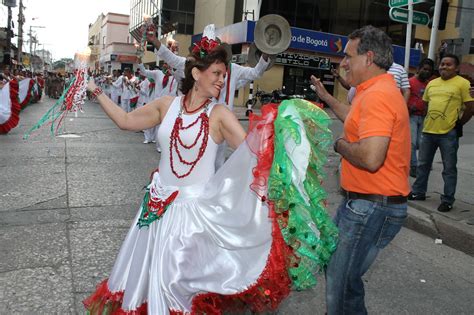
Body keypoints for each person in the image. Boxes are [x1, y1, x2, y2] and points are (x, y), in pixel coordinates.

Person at [83, 40, 337, 314]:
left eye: (224, 75)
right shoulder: (165, 105)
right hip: (156, 212)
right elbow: (125, 121)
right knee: (147, 283)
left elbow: (256, 155)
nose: (221, 80)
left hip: (193, 220)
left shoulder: (219, 114)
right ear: (196, 74)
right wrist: (94, 89)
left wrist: (282, 133)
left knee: (176, 287)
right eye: (216, 74)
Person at [311, 25, 410, 314]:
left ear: (368, 58)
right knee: (344, 278)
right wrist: (326, 97)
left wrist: (339, 145)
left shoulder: (378, 96)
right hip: (366, 202)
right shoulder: (374, 90)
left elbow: (370, 157)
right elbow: (355, 118)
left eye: (348, 57)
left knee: (339, 286)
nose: (343, 63)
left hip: (371, 206)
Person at [146, 24, 270, 169]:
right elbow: (172, 58)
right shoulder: (194, 65)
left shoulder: (234, 70)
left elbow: (255, 73)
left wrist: (266, 53)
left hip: (219, 124)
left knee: (216, 165)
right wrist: (155, 41)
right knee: (192, 162)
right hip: (196, 122)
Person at [409, 54, 474, 212]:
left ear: (457, 68)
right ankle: (418, 192)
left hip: (448, 134)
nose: (444, 67)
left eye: (448, 64)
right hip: (428, 131)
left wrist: (457, 124)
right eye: (442, 64)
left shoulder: (463, 84)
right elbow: (425, 105)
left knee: (449, 168)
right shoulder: (432, 83)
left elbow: (470, 108)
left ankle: (447, 199)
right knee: (423, 164)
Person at [407, 58, 435, 177]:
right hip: (411, 116)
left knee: (421, 143)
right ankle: (413, 167)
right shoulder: (410, 82)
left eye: (429, 70)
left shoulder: (430, 84)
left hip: (424, 117)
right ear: (418, 69)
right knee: (412, 143)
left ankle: (422, 164)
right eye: (424, 69)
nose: (427, 72)